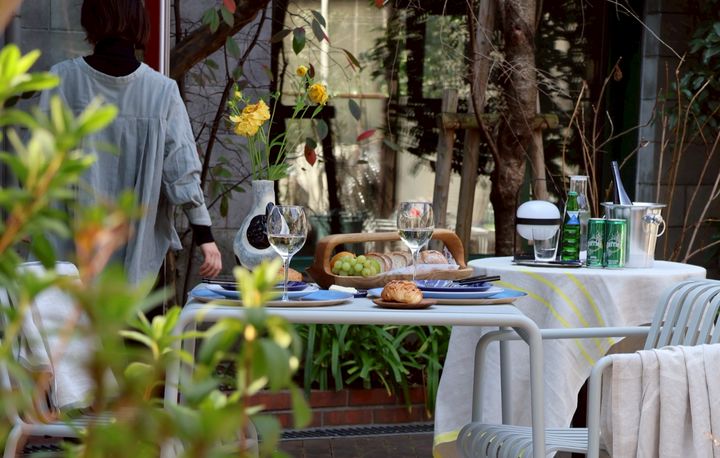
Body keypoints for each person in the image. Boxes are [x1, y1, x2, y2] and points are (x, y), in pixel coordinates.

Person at [39, 0, 222, 285]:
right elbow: (181, 169)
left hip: (69, 254)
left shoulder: (62, 80)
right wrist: (204, 236)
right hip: (135, 256)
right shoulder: (161, 91)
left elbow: (39, 160)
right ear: (140, 22)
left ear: (90, 20)